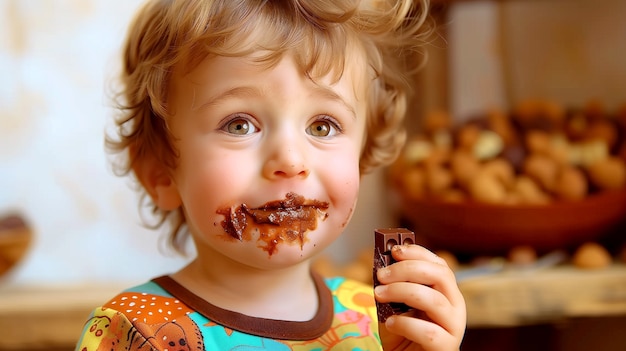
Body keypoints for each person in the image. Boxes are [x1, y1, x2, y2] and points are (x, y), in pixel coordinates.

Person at [75, 0, 466, 350]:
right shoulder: (135, 333)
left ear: (363, 157)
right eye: (240, 125)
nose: (291, 160)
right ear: (160, 172)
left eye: (322, 127)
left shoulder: (379, 323)